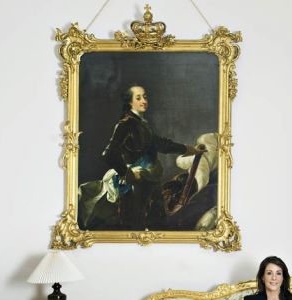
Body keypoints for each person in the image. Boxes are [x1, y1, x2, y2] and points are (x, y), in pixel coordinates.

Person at [78, 84, 205, 229]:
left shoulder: (142, 124)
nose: (144, 101)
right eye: (138, 98)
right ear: (130, 102)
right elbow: (108, 154)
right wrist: (128, 173)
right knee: (134, 226)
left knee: (157, 224)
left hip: (150, 180)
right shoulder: (125, 125)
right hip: (135, 185)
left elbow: (162, 144)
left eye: (144, 97)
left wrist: (190, 150)